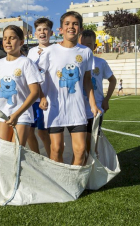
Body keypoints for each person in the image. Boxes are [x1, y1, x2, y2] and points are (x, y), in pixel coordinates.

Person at [37, 11, 100, 166]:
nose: (71, 27)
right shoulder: (49, 51)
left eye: (75, 24)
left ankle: (74, 183)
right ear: (61, 29)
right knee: (56, 149)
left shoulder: (85, 52)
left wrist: (93, 104)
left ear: (80, 28)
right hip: (55, 108)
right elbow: (37, 78)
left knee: (80, 150)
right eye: (67, 24)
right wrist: (42, 97)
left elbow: (87, 81)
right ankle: (58, 183)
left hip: (77, 108)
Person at [0, 25, 42, 147]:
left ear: (21, 42)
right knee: (4, 152)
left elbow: (35, 92)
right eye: (5, 38)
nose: (8, 41)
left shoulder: (26, 63)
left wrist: (16, 114)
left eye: (12, 38)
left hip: (22, 115)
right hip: (3, 114)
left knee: (15, 153)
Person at [80, 30, 117, 155]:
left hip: (95, 109)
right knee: (79, 144)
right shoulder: (76, 62)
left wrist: (106, 100)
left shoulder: (101, 63)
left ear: (95, 47)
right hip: (78, 109)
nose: (85, 48)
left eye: (89, 45)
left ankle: (94, 164)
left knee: (92, 141)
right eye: (82, 45)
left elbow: (113, 80)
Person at [26, 17, 53, 156]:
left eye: (45, 29)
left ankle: (51, 159)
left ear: (51, 33)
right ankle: (37, 158)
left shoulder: (56, 50)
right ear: (35, 34)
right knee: (30, 130)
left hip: (48, 98)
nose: (42, 32)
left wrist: (43, 95)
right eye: (39, 30)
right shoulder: (31, 52)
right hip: (33, 98)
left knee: (43, 132)